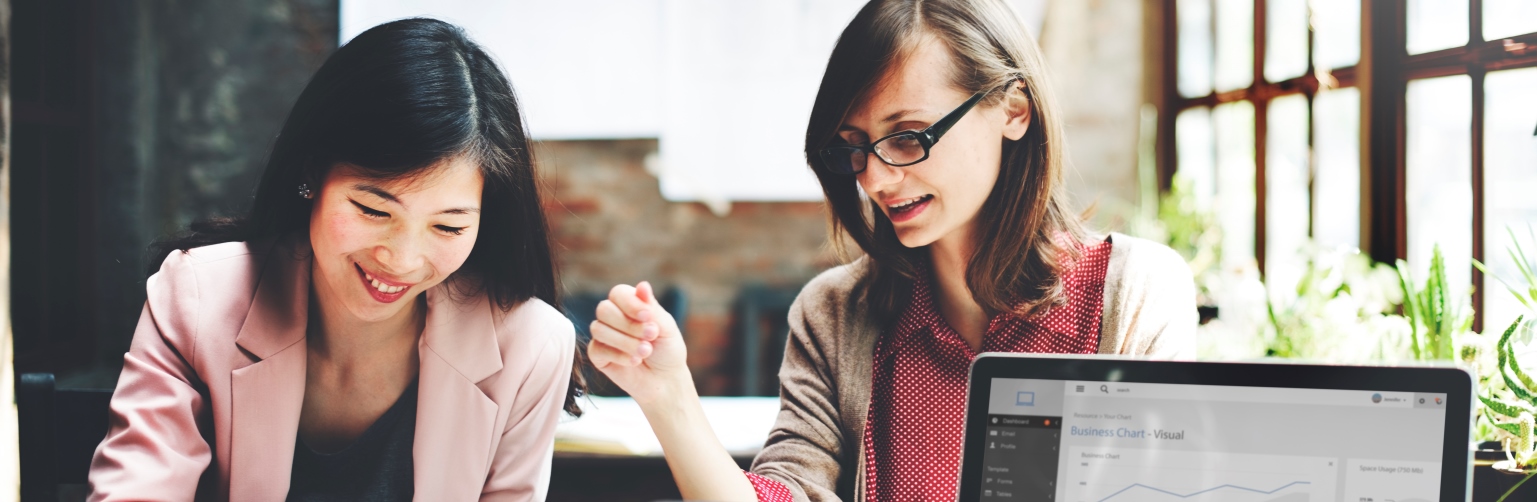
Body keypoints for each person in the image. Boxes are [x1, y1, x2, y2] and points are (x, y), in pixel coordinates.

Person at [585, 0, 1197, 500]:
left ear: (1014, 110)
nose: (874, 179)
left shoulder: (1134, 294)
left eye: (907, 137)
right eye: (856, 146)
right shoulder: (834, 314)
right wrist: (668, 398)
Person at [87, 18, 581, 501]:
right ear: (312, 174)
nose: (403, 259)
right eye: (372, 209)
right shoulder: (196, 297)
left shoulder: (530, 345)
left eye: (448, 226)